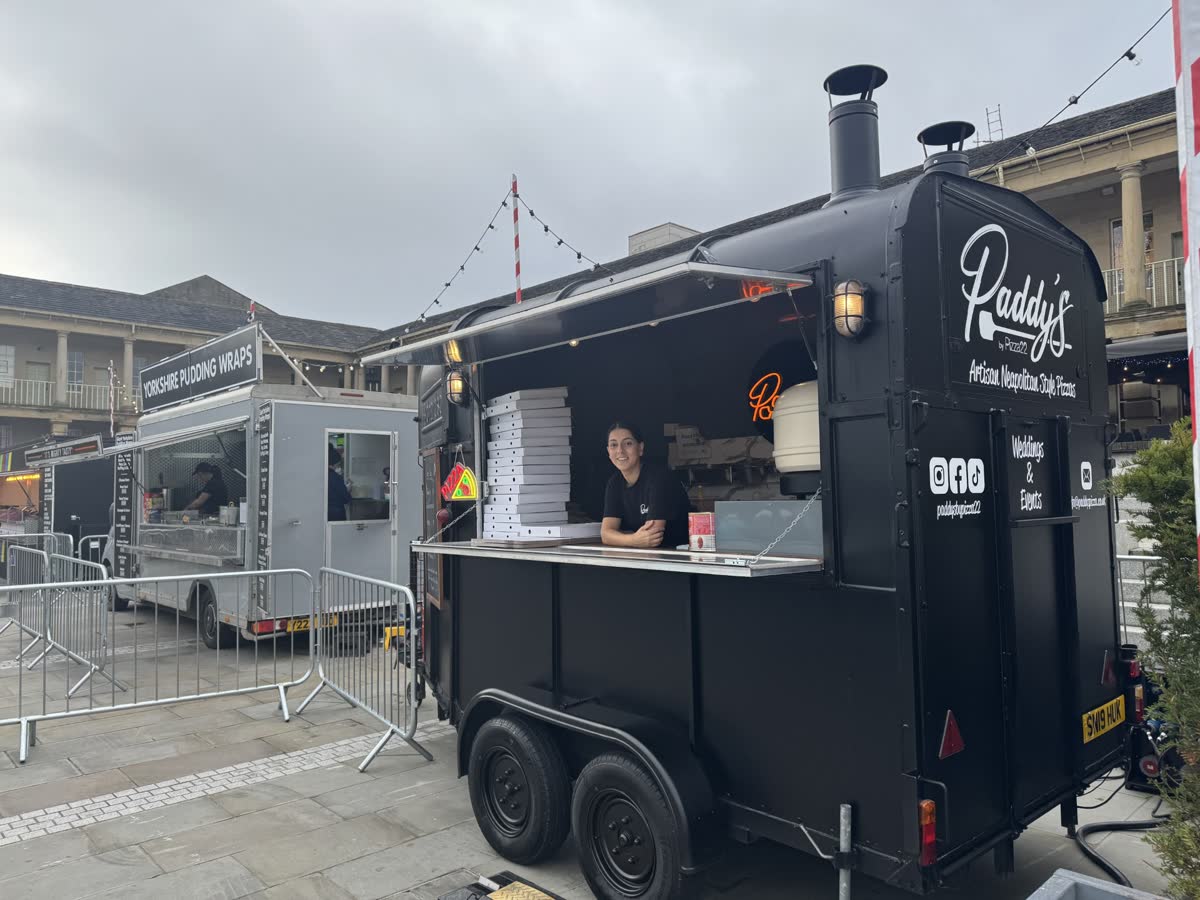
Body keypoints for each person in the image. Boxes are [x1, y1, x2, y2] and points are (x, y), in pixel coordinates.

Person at [601, 421, 690, 549]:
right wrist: (632, 539)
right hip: (646, 557)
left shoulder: (659, 478)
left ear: (640, 448)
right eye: (614, 445)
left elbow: (652, 537)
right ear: (608, 451)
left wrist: (622, 537)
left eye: (628, 443)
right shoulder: (614, 483)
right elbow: (606, 534)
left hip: (679, 557)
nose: (620, 450)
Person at [328, 446, 353, 521]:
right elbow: (346, 499)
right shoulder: (336, 478)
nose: (339, 467)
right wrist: (348, 489)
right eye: (338, 465)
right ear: (334, 464)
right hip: (337, 514)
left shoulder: (323, 476)